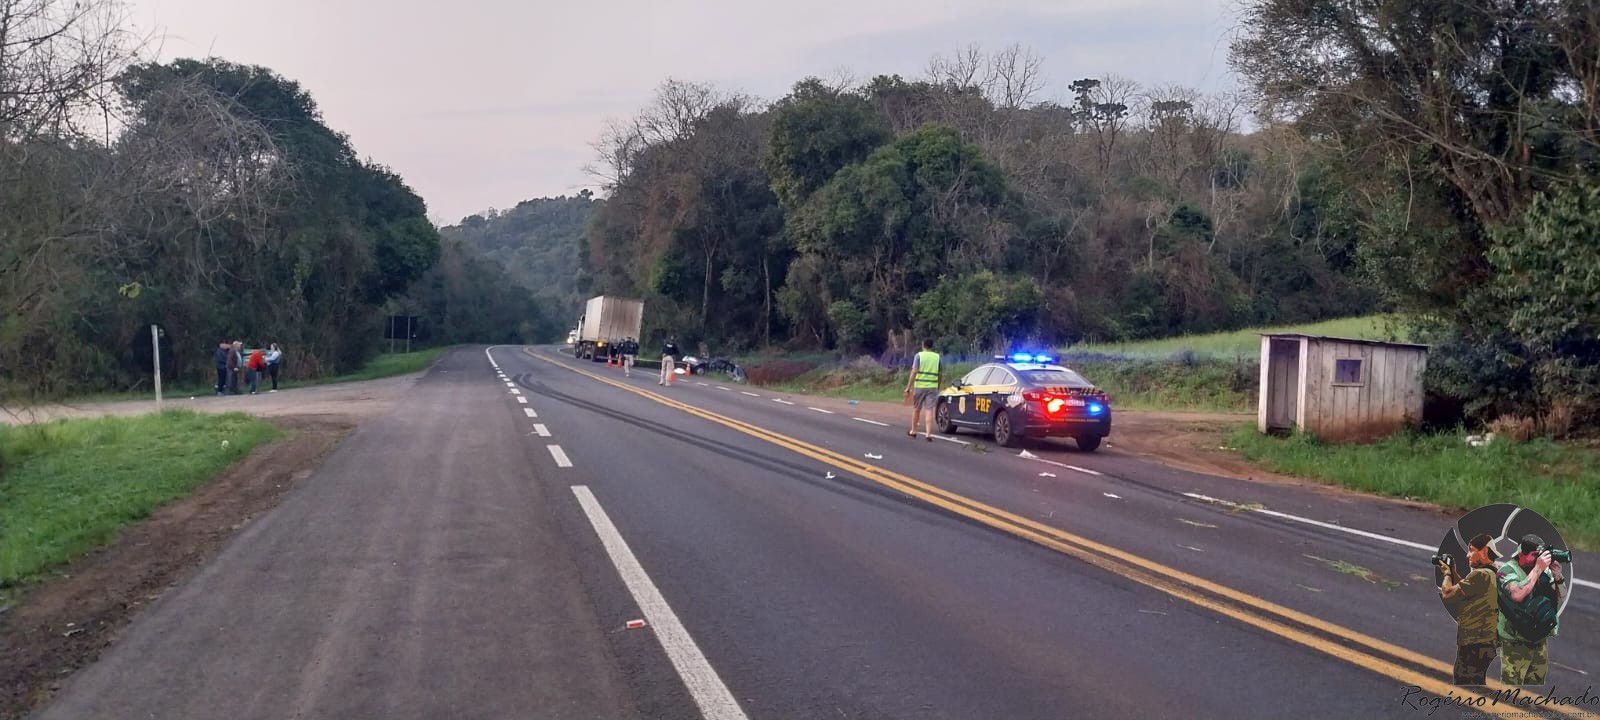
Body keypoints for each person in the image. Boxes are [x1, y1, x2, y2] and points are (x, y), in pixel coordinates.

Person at [1497, 534, 1567, 685]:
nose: (1539, 559)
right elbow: (1517, 594)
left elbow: (1562, 595)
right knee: (1511, 688)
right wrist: (1537, 569)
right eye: (1535, 555)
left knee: (1535, 687)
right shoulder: (1506, 571)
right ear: (1521, 554)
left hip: (1539, 638)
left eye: (1540, 556)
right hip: (1515, 640)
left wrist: (1557, 576)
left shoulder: (1543, 570)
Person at [1439, 533, 1500, 685]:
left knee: (1465, 686)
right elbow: (1464, 591)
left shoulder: (1481, 575)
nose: (1467, 555)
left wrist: (1446, 574)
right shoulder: (1493, 573)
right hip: (1486, 642)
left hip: (1475, 643)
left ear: (1484, 551)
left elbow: (1448, 594)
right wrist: (1453, 572)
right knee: (1474, 684)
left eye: (1471, 550)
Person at [903, 338, 942, 441]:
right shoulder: (937, 357)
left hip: (920, 385)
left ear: (923, 345)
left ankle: (914, 431)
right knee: (929, 410)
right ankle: (928, 434)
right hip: (933, 387)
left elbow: (914, 371)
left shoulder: (919, 355)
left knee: (917, 409)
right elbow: (940, 374)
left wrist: (908, 387)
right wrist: (938, 385)